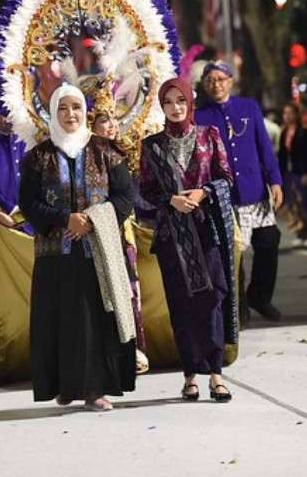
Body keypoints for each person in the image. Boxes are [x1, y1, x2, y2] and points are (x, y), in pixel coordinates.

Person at [19, 85, 136, 411]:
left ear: (85, 112)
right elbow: (28, 202)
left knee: (94, 321)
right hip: (54, 255)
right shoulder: (38, 157)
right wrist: (63, 219)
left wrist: (91, 221)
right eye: (63, 108)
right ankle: (65, 386)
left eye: (76, 107)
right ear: (53, 112)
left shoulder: (106, 151)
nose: (70, 114)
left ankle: (95, 389)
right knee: (59, 322)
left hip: (96, 253)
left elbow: (125, 196)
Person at [140, 77, 236, 402]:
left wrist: (202, 192)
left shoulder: (210, 135)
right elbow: (147, 191)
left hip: (206, 230)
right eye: (168, 102)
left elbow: (225, 177)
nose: (175, 108)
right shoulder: (151, 145)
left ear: (190, 102)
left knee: (212, 299)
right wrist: (171, 200)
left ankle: (216, 375)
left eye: (180, 101)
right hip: (173, 237)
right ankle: (190, 376)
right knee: (181, 305)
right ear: (161, 107)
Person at [194, 61, 284, 322]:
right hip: (224, 196)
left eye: (221, 79)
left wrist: (275, 180)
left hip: (255, 191)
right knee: (234, 253)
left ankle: (260, 295)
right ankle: (238, 307)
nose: (217, 84)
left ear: (231, 81)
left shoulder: (249, 107)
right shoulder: (200, 115)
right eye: (211, 80)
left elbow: (263, 146)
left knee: (269, 241)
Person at [90, 101, 150, 375]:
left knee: (129, 290)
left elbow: (135, 195)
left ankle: (133, 349)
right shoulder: (86, 155)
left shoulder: (122, 151)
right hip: (98, 233)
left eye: (114, 119)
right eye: (104, 120)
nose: (112, 124)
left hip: (124, 233)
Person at [279, 103, 307, 247]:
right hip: (289, 173)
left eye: (290, 113)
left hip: (302, 172)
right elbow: (282, 155)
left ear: (297, 115)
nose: (287, 116)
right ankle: (301, 233)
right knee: (294, 204)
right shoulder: (284, 132)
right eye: (285, 113)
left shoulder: (304, 132)